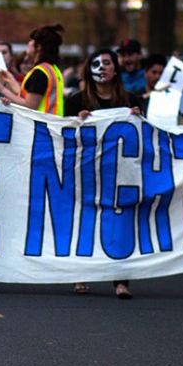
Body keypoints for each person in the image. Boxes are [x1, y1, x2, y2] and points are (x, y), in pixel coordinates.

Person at [65, 49, 142, 299]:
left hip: (120, 174)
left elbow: (145, 137)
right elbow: (63, 135)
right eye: (96, 63)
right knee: (85, 219)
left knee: (119, 223)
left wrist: (139, 119)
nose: (102, 67)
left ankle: (120, 281)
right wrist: (78, 121)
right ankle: (81, 274)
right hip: (86, 172)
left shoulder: (130, 100)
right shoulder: (77, 100)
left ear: (115, 68)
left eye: (107, 63)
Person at [0, 24, 65, 114]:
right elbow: (29, 96)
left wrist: (1, 89)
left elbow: (30, 106)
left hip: (40, 126)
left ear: (39, 47)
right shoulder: (52, 69)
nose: (29, 43)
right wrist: (11, 80)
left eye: (31, 41)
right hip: (51, 125)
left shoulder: (40, 73)